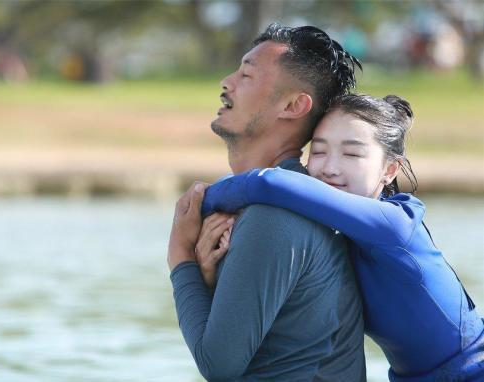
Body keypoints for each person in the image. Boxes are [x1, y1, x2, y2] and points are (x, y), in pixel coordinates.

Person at [200, 93, 484, 381]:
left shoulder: (397, 227)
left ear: (389, 169)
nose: (329, 168)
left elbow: (269, 183)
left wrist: (199, 203)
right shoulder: (332, 235)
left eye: (351, 154)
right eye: (319, 152)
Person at [167, 24, 366, 380]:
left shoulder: (274, 216)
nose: (227, 82)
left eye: (246, 74)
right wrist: (205, 281)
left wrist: (180, 256)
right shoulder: (264, 205)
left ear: (292, 105)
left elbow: (219, 366)